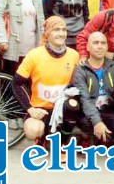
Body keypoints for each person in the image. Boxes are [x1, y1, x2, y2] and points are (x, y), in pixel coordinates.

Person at [12, 16, 81, 154]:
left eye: (63, 30)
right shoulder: (34, 55)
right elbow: (16, 83)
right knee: (32, 130)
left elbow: (78, 84)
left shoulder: (74, 55)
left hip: (62, 109)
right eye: (56, 30)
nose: (61, 34)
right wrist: (30, 109)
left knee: (73, 105)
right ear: (47, 33)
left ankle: (62, 143)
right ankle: (42, 138)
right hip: (41, 110)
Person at [73, 32, 114, 143]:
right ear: (88, 47)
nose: (99, 46)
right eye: (95, 43)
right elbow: (84, 99)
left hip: (108, 110)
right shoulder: (81, 69)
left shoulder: (113, 66)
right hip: (87, 113)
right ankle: (91, 137)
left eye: (103, 43)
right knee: (85, 122)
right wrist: (97, 122)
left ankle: (104, 138)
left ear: (107, 47)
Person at [0, 0, 44, 86]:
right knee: (10, 82)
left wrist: (42, 43)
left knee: (28, 83)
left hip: (32, 47)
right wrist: (2, 38)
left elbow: (41, 21)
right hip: (12, 47)